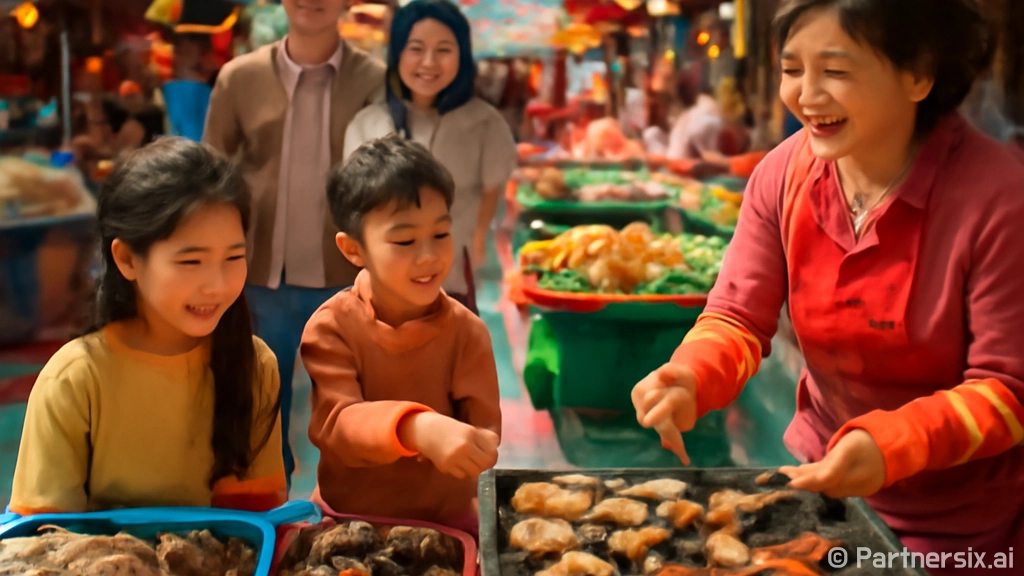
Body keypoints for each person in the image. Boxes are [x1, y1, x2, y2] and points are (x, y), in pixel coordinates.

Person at [632, 0, 1024, 573]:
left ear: (918, 74)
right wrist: (692, 374)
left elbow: (1007, 390)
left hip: (964, 528)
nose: (806, 95)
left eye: (835, 72)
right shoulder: (782, 175)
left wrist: (890, 446)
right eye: (793, 70)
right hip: (821, 490)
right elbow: (737, 317)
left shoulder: (1000, 197)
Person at [9, 138, 285, 515]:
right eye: (191, 262)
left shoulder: (253, 365)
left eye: (234, 256)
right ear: (127, 259)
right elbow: (43, 538)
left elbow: (257, 521)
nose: (218, 284)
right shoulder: (76, 379)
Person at [203, 0, 386, 487]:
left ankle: (352, 512)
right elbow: (208, 178)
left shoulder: (376, 82)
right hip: (262, 275)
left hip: (348, 276)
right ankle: (267, 508)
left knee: (353, 407)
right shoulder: (238, 79)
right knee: (257, 409)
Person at [301, 135, 502, 534]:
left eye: (441, 234)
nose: (428, 255)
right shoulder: (332, 327)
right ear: (353, 250)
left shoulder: (467, 332)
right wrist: (416, 428)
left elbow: (485, 432)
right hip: (347, 517)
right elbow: (337, 425)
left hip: (445, 522)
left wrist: (477, 445)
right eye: (405, 240)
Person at [342, 0, 517, 314]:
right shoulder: (368, 124)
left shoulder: (484, 123)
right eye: (416, 48)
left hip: (453, 282)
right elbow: (354, 205)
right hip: (383, 286)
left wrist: (477, 238)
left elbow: (493, 187)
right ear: (397, 53)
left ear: (462, 55)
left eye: (444, 50)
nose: (429, 62)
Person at [666, 74, 724, 160]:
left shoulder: (697, 110)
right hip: (680, 166)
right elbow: (708, 155)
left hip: (674, 163)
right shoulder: (695, 113)